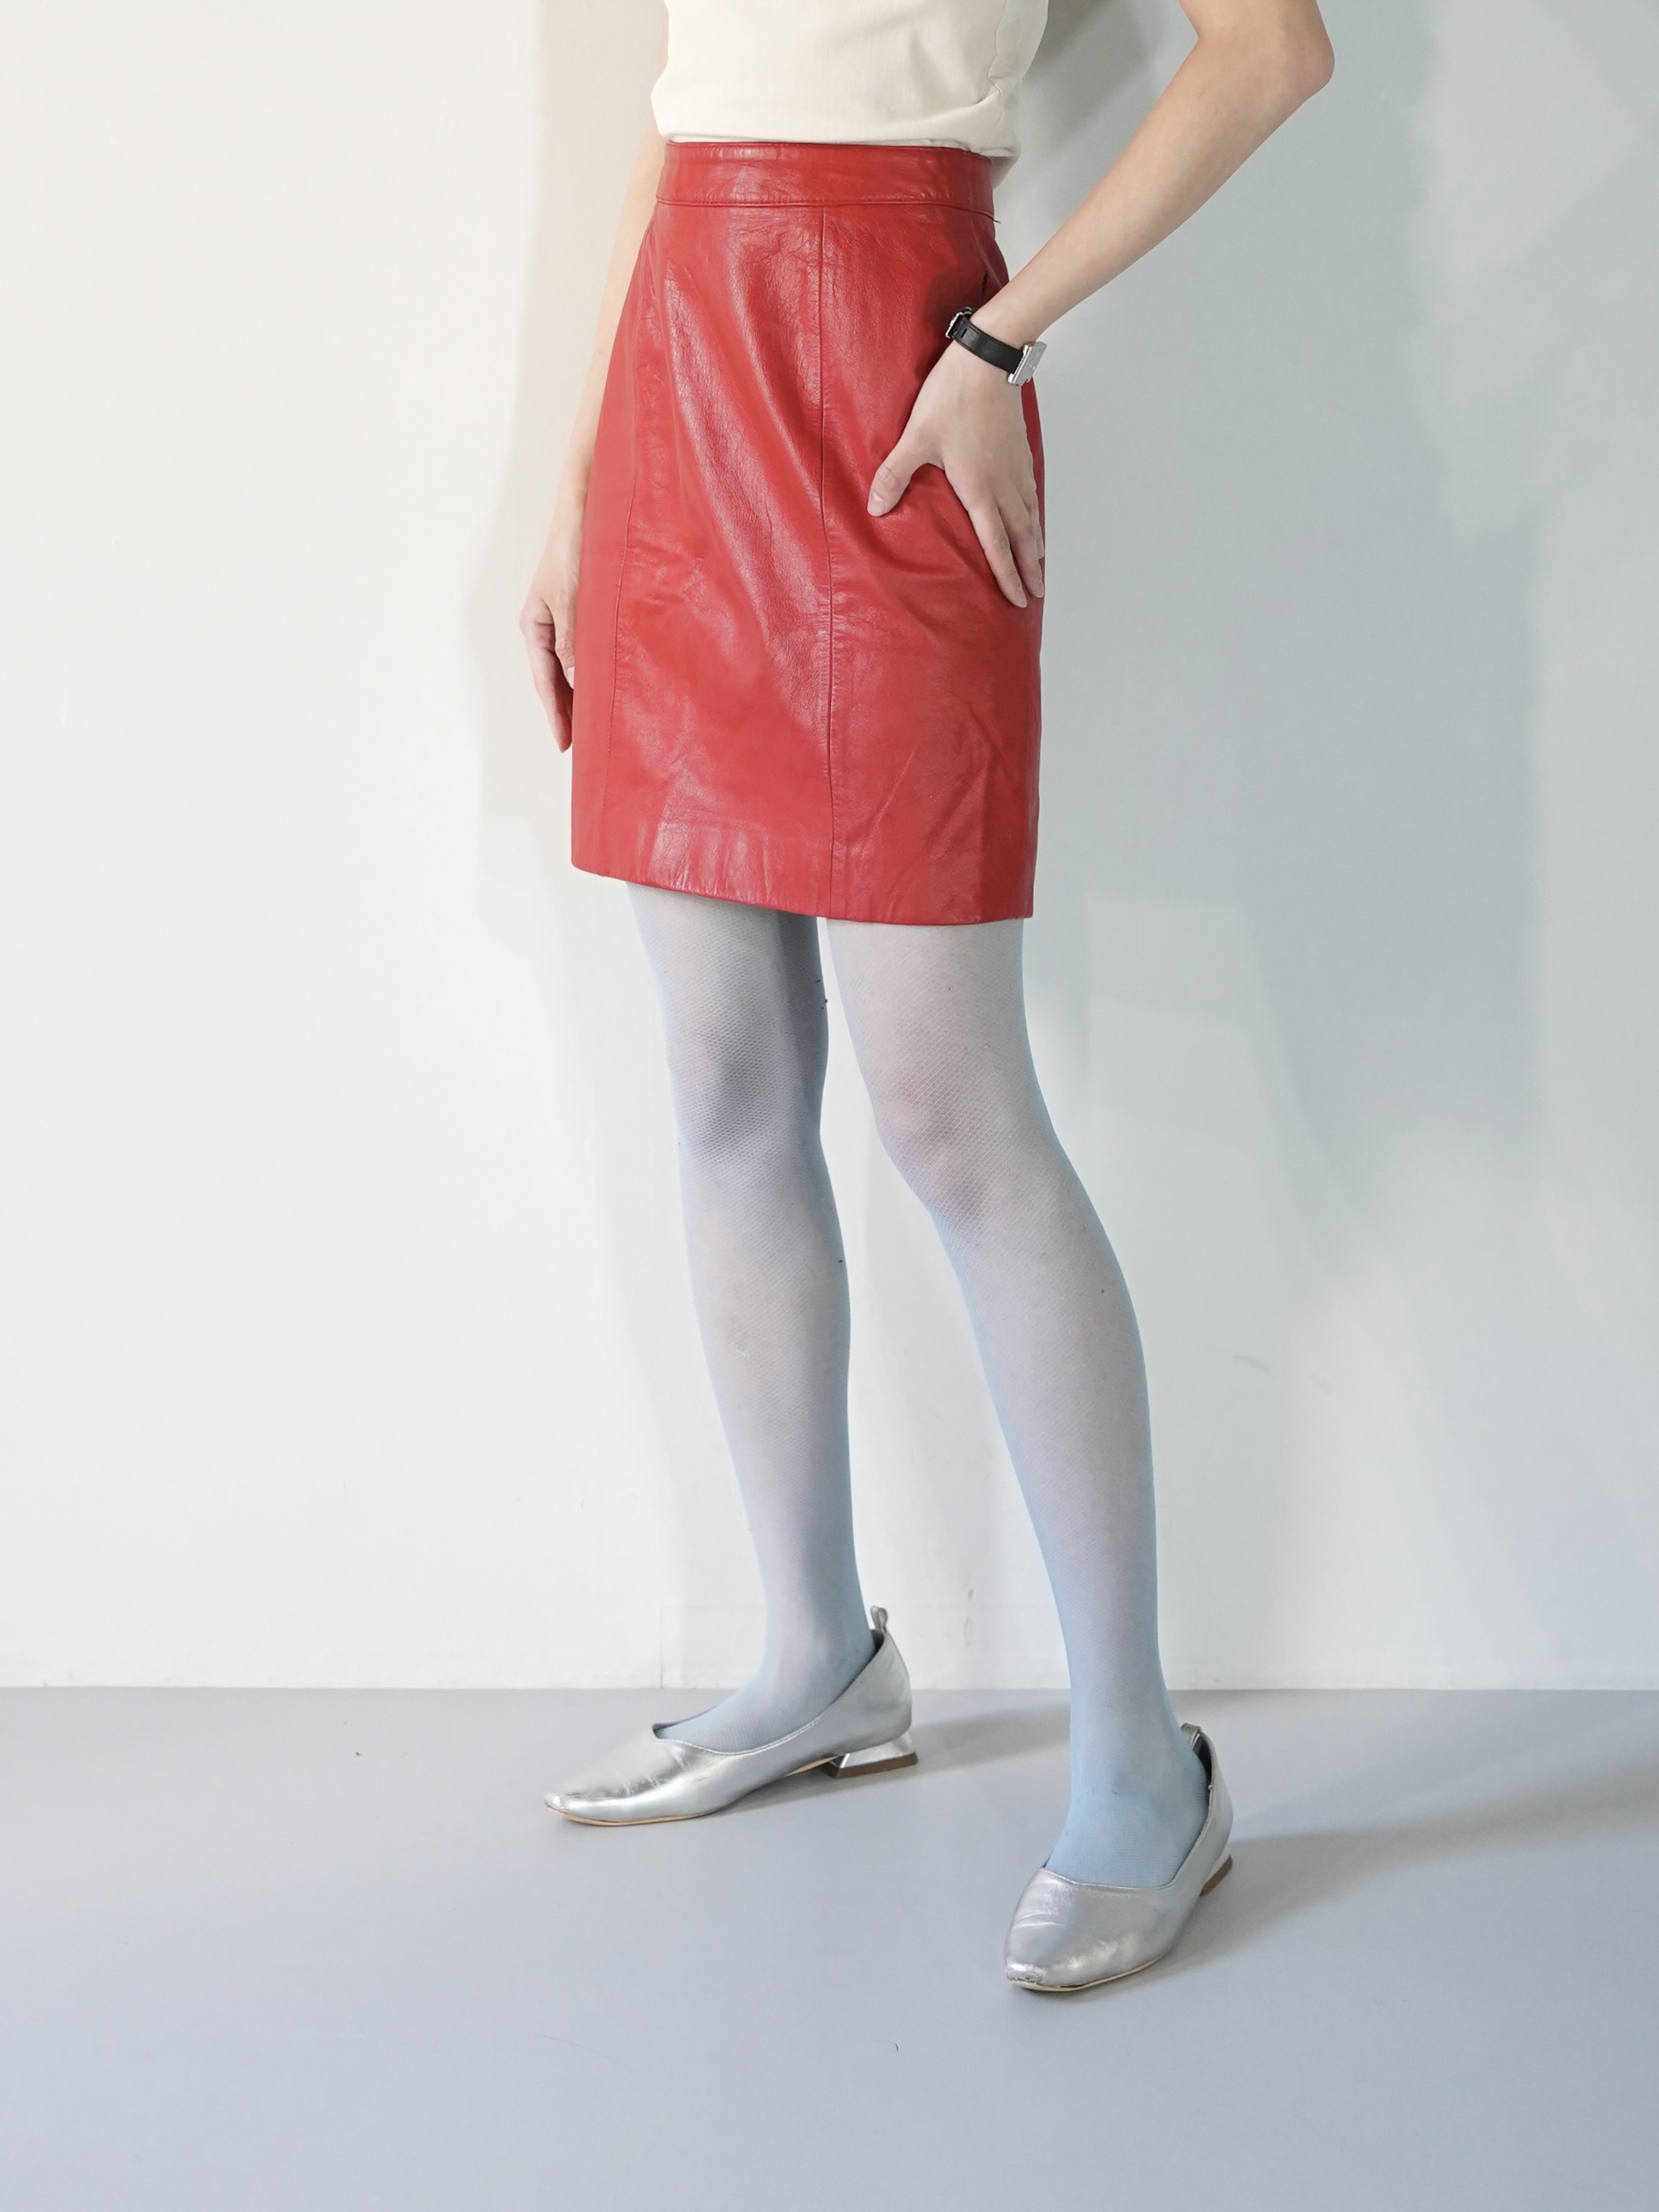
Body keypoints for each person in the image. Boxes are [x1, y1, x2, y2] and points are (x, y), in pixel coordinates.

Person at [521, 0, 1332, 1992]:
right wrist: (582, 479)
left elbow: (1272, 51)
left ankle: (1142, 1763)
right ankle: (816, 1655)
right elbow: (681, 115)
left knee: (951, 1114)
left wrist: (1001, 340)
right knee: (723, 1077)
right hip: (683, 383)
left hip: (896, 375)